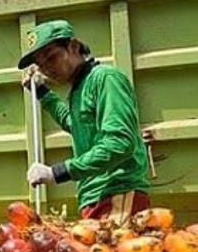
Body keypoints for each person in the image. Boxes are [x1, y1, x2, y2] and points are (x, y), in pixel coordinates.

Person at [19, 20, 151, 223]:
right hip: (95, 198)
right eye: (41, 66)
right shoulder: (78, 90)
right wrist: (44, 94)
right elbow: (76, 125)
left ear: (73, 46)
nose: (47, 70)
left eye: (52, 58)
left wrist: (58, 172)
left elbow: (119, 144)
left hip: (117, 192)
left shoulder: (105, 79)